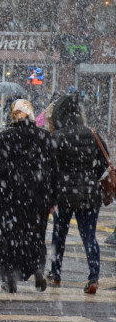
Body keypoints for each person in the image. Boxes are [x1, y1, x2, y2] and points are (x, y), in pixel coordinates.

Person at [0, 100, 58, 293]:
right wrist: (53, 198)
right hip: (37, 198)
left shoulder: (4, 137)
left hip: (9, 197)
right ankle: (37, 268)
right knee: (34, 237)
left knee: (8, 238)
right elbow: (54, 171)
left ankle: (9, 277)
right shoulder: (45, 137)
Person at [48, 94, 107, 294]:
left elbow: (51, 168)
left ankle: (55, 274)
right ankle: (93, 276)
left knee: (59, 234)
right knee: (89, 236)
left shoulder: (58, 136)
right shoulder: (93, 134)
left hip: (64, 194)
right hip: (89, 194)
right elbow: (102, 164)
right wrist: (89, 177)